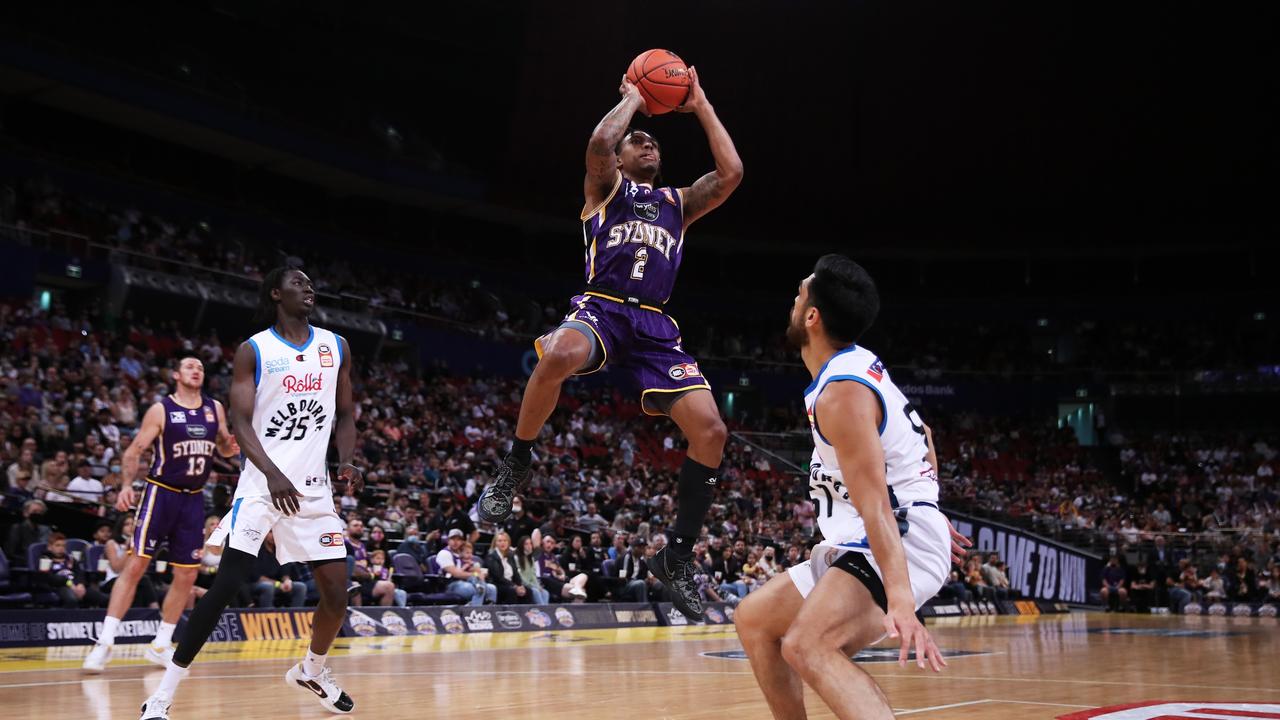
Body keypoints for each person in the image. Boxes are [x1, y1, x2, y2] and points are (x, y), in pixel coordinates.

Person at [477, 67, 743, 622]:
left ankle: (676, 555)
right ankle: (516, 463)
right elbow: (600, 141)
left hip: (655, 327)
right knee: (559, 355)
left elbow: (732, 171)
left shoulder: (679, 203)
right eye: (638, 141)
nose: (647, 143)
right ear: (620, 160)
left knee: (713, 432)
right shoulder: (605, 187)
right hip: (603, 306)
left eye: (653, 141)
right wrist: (635, 98)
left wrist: (699, 103)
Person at [734, 255, 967, 720]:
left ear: (812, 317)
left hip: (894, 537)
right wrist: (929, 502)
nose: (794, 302)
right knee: (755, 619)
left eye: (799, 296)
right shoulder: (859, 364)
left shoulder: (842, 393)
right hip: (888, 531)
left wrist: (901, 598)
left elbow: (878, 504)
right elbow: (926, 437)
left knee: (808, 645)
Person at [140, 268, 361, 719]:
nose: (309, 287)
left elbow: (345, 414)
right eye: (299, 282)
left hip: (314, 491)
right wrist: (272, 473)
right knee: (224, 588)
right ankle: (161, 696)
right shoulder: (254, 349)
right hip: (262, 488)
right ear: (277, 294)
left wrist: (348, 459)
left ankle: (312, 670)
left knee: (337, 594)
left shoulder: (335, 346)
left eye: (311, 281)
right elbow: (239, 423)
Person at [84, 354, 239, 672]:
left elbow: (223, 447)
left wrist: (228, 446)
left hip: (194, 499)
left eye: (200, 367)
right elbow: (135, 449)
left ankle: (160, 645)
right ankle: (105, 642)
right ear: (175, 375)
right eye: (189, 366)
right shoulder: (161, 409)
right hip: (160, 493)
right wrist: (127, 485)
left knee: (187, 573)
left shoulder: (214, 408)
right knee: (137, 564)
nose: (196, 370)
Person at [485, 531, 529, 604]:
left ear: (508, 543)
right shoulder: (491, 556)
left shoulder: (510, 555)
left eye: (505, 541)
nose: (503, 543)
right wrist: (514, 586)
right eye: (500, 541)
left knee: (527, 591)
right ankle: (511, 613)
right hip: (498, 584)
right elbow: (498, 577)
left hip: (511, 584)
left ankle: (526, 614)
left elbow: (515, 573)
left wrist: (520, 585)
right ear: (495, 543)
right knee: (511, 591)